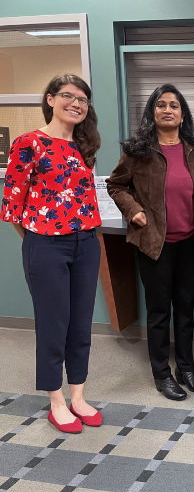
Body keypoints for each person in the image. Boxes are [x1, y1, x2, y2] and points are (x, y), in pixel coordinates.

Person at [1, 74, 102, 433]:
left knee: (80, 324)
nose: (76, 103)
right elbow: (12, 205)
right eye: (68, 96)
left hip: (87, 243)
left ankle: (78, 395)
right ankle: (56, 399)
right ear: (49, 99)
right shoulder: (29, 143)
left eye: (83, 100)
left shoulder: (84, 147)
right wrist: (39, 239)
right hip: (46, 245)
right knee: (53, 325)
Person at [107, 84, 194, 401]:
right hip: (154, 244)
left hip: (191, 243)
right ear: (153, 111)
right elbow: (115, 185)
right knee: (160, 311)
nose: (167, 110)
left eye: (174, 105)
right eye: (161, 105)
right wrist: (133, 210)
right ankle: (162, 374)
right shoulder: (139, 151)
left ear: (182, 114)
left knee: (186, 310)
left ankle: (186, 368)